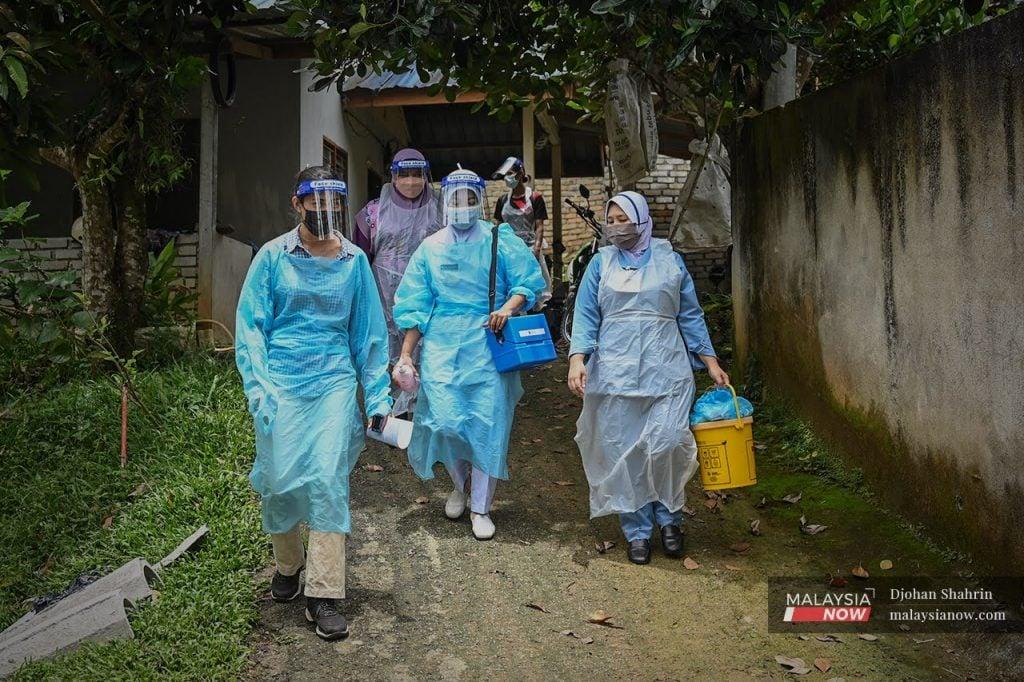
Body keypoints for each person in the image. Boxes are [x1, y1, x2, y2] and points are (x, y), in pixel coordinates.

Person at [235, 166, 393, 640]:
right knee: (278, 482)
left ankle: (323, 593)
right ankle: (289, 565)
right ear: (297, 203)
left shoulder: (353, 262)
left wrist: (379, 395)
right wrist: (258, 387)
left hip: (333, 384)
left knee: (326, 481)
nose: (324, 211)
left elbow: (368, 336)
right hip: (280, 384)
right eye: (314, 202)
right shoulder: (271, 258)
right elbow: (250, 329)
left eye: (332, 203)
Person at [566, 191, 729, 565]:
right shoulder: (601, 263)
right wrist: (578, 360)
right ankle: (636, 530)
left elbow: (690, 315)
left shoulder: (670, 260)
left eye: (624, 218)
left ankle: (669, 520)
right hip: (615, 372)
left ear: (641, 219)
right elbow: (586, 316)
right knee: (624, 451)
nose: (616, 226)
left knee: (667, 444)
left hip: (667, 368)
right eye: (612, 219)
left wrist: (711, 362)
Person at [393, 167, 545, 540]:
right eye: (455, 198)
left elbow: (527, 282)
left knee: (486, 426)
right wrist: (406, 355)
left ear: (479, 199)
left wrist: (508, 308)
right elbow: (416, 305)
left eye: (468, 198)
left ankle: (481, 506)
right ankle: (460, 485)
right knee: (445, 423)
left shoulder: (500, 239)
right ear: (445, 201)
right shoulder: (430, 248)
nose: (462, 205)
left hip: (488, 344)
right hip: (444, 346)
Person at [354, 149, 442, 416]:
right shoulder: (373, 212)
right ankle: (391, 410)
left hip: (430, 293)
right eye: (404, 174)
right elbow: (359, 258)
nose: (411, 181)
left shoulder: (443, 208)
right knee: (388, 346)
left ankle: (424, 410)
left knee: (427, 346)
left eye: (417, 174)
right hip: (384, 296)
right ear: (392, 176)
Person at [492, 156, 553, 310]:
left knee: (536, 283)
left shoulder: (534, 198)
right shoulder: (502, 200)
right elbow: (498, 226)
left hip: (530, 246)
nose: (507, 178)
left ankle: (539, 311)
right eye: (505, 175)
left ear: (520, 175)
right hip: (509, 248)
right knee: (511, 281)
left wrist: (536, 250)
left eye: (510, 173)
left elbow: (539, 226)